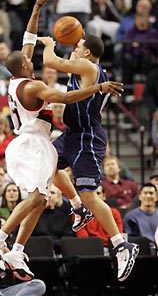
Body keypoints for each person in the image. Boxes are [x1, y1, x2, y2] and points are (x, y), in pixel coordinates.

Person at [0, 0, 123, 282]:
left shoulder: (19, 75)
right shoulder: (32, 88)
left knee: (42, 199)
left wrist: (36, 7)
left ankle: (18, 248)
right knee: (35, 199)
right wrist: (98, 88)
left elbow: (28, 39)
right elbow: (66, 96)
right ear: (25, 67)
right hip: (31, 144)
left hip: (35, 143)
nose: (34, 63)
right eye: (29, 62)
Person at [38, 32, 139, 281]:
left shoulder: (87, 65)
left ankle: (120, 243)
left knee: (90, 196)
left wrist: (50, 44)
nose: (74, 47)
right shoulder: (84, 68)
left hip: (87, 138)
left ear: (86, 52)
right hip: (72, 135)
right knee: (47, 165)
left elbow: (52, 62)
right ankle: (76, 207)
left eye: (78, 45)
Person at [75, 185, 123, 255]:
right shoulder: (79, 214)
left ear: (104, 196)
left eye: (98, 193)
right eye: (91, 194)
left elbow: (118, 235)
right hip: (91, 251)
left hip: (112, 250)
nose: (95, 197)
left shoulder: (114, 213)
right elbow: (83, 239)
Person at [123, 183, 158, 255]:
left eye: (151, 193)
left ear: (156, 197)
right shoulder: (131, 217)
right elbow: (130, 240)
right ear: (140, 196)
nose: (148, 196)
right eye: (145, 193)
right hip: (141, 253)